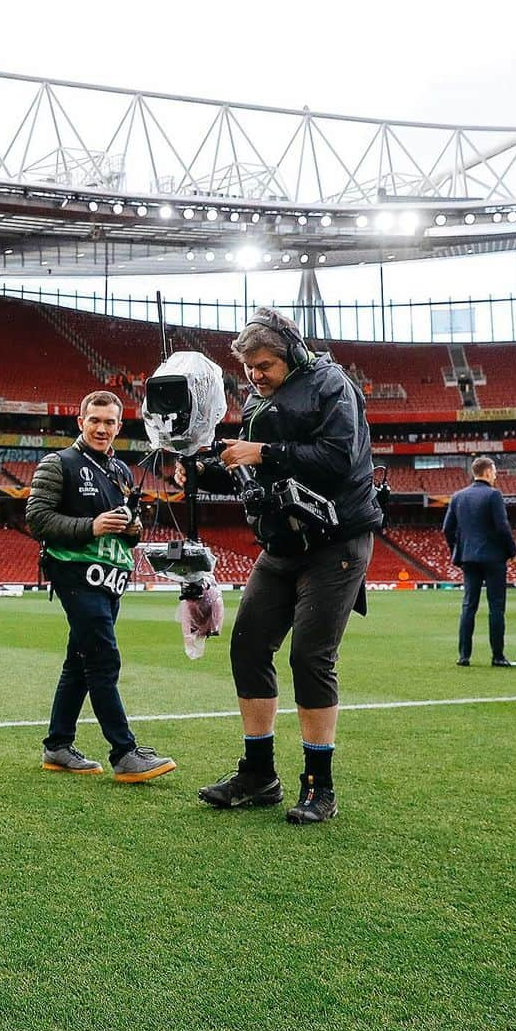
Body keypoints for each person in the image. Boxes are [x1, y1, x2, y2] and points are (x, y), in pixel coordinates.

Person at [185, 307, 383, 823]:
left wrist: (263, 451)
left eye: (265, 364)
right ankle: (258, 774)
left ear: (291, 354)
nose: (255, 375)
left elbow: (339, 458)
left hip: (335, 540)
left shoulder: (332, 386)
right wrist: (209, 468)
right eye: (249, 367)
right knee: (248, 645)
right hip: (281, 544)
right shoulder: (259, 398)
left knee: (310, 658)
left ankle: (320, 786)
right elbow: (253, 472)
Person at [27, 389, 176, 782]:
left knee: (79, 663)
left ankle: (57, 746)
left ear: (118, 426)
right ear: (81, 422)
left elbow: (129, 535)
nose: (101, 428)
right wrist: (90, 526)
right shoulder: (57, 463)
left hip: (111, 579)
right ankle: (124, 752)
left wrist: (133, 529)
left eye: (109, 422)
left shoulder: (122, 472)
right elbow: (37, 519)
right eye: (94, 420)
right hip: (75, 575)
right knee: (103, 659)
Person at [443, 456, 516, 667]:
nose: (495, 476)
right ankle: (498, 656)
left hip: (468, 557)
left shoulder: (458, 496)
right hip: (494, 558)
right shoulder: (493, 495)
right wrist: (513, 551)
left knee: (468, 606)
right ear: (487, 472)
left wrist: (457, 551)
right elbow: (502, 526)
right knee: (496, 607)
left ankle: (464, 656)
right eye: (494, 472)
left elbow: (447, 529)